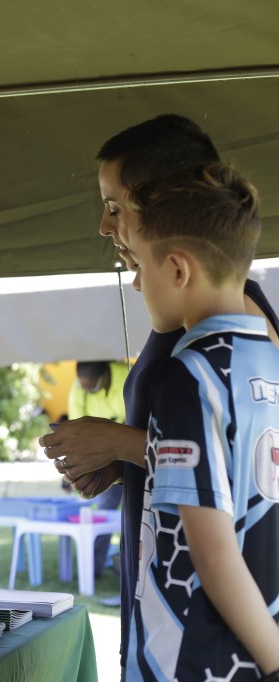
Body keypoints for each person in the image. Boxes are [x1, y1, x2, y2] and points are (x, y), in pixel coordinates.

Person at [37, 114, 279, 673]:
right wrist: (123, 460)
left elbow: (237, 494)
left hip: (203, 642)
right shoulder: (213, 332)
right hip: (179, 616)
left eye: (115, 206)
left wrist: (123, 444)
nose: (105, 225)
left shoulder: (210, 349)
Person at [122, 163, 279, 680]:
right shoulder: (271, 359)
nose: (137, 283)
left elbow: (212, 555)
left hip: (196, 660)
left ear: (177, 270)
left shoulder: (190, 375)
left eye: (139, 266)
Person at [66, 360, 127, 579]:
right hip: (103, 459)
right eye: (85, 388)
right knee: (105, 510)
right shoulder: (78, 389)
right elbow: (76, 430)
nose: (88, 391)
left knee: (134, 513)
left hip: (133, 453)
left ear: (104, 376)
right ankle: (93, 568)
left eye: (92, 387)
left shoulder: (127, 375)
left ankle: (130, 565)